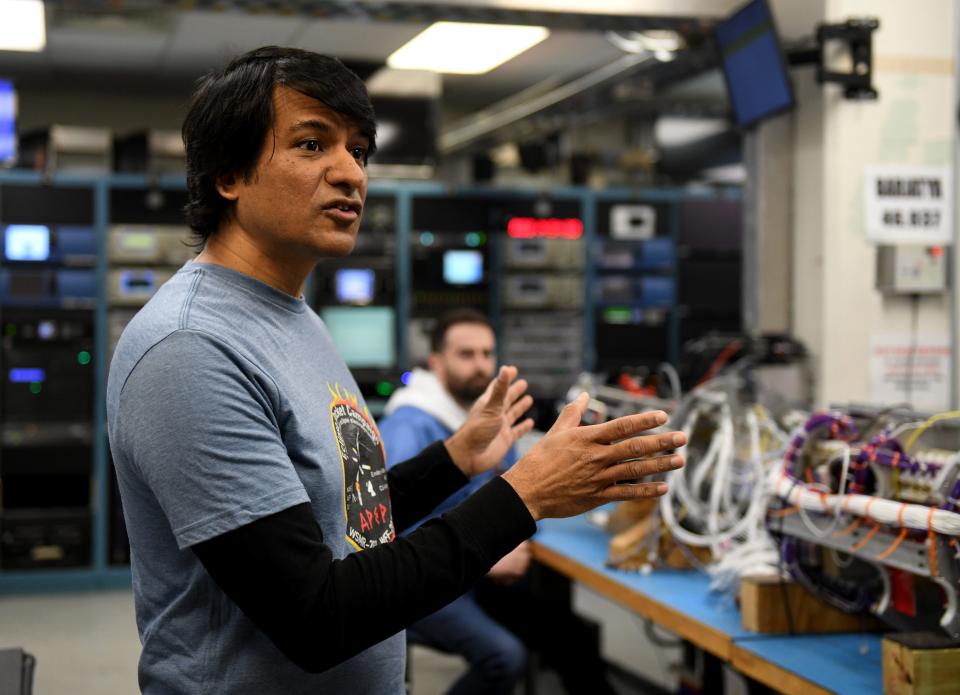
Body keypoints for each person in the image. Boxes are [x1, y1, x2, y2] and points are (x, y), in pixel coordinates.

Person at [106, 45, 686, 695]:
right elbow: (315, 616)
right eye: (311, 144)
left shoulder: (295, 317)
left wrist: (454, 460)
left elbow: (341, 517)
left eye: (358, 150)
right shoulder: (192, 348)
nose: (350, 173)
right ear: (229, 173)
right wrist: (523, 494)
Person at [379, 309, 618, 695]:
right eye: (466, 354)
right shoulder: (410, 425)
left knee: (569, 636)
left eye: (487, 354)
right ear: (436, 361)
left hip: (474, 575)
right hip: (423, 580)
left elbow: (508, 489)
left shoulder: (476, 417)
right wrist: (484, 551)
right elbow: (386, 530)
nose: (480, 365)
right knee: (503, 657)